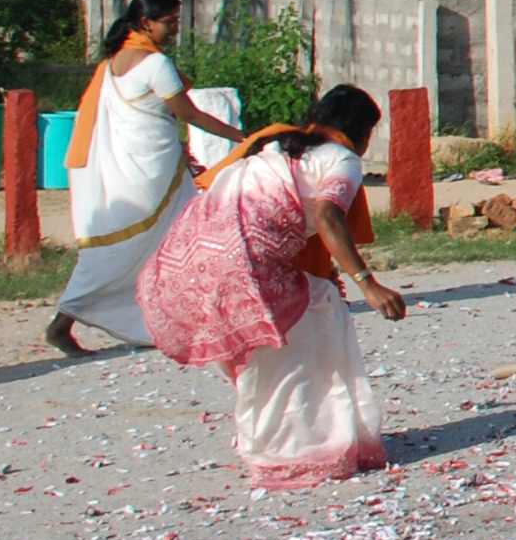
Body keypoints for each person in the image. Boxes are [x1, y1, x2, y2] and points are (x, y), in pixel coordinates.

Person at [137, 83, 406, 490]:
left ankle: (269, 444)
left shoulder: (278, 146)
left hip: (192, 259)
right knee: (305, 339)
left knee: (276, 344)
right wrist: (368, 283)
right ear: (362, 133)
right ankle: (298, 452)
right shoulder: (341, 159)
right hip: (245, 264)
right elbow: (327, 215)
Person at [47, 0, 249, 356]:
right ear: (145, 23)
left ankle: (183, 319)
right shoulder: (156, 65)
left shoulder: (114, 61)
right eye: (169, 22)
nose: (175, 29)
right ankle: (64, 321)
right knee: (147, 246)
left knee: (157, 246)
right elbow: (189, 114)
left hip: (140, 169)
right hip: (151, 174)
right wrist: (241, 138)